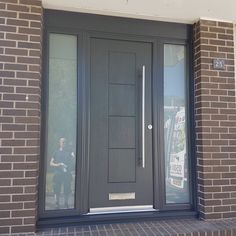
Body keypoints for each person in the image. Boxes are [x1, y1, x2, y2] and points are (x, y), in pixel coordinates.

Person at [50, 137, 75, 209]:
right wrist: (58, 165)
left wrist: (73, 157)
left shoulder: (69, 152)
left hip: (67, 174)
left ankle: (66, 203)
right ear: (59, 143)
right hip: (58, 174)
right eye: (62, 142)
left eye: (65, 142)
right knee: (56, 189)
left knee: (67, 189)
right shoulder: (56, 152)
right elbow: (51, 163)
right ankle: (56, 203)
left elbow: (73, 163)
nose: (64, 143)